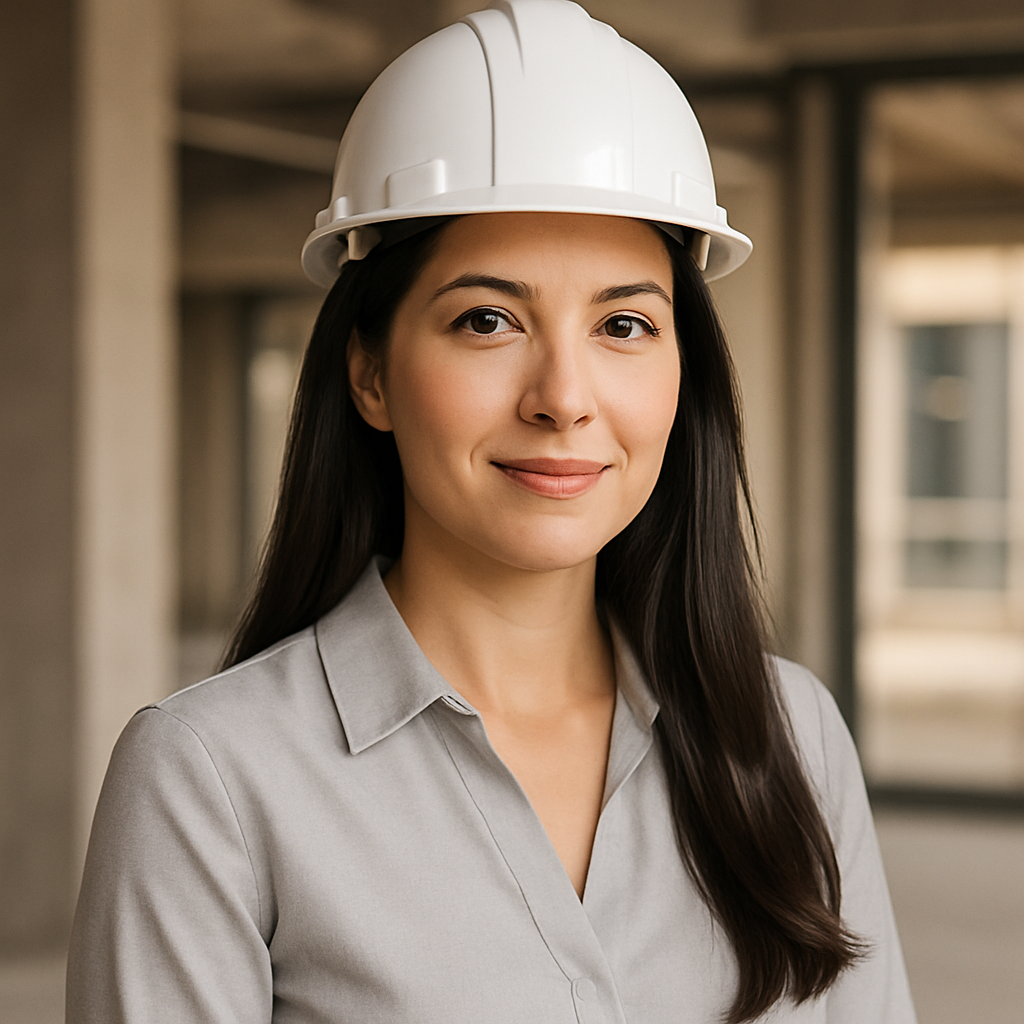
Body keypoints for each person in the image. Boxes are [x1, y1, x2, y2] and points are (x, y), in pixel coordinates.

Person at [66, 2, 918, 1022]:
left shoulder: (788, 736)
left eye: (623, 323)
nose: (563, 395)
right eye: (487, 319)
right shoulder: (211, 778)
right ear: (371, 374)